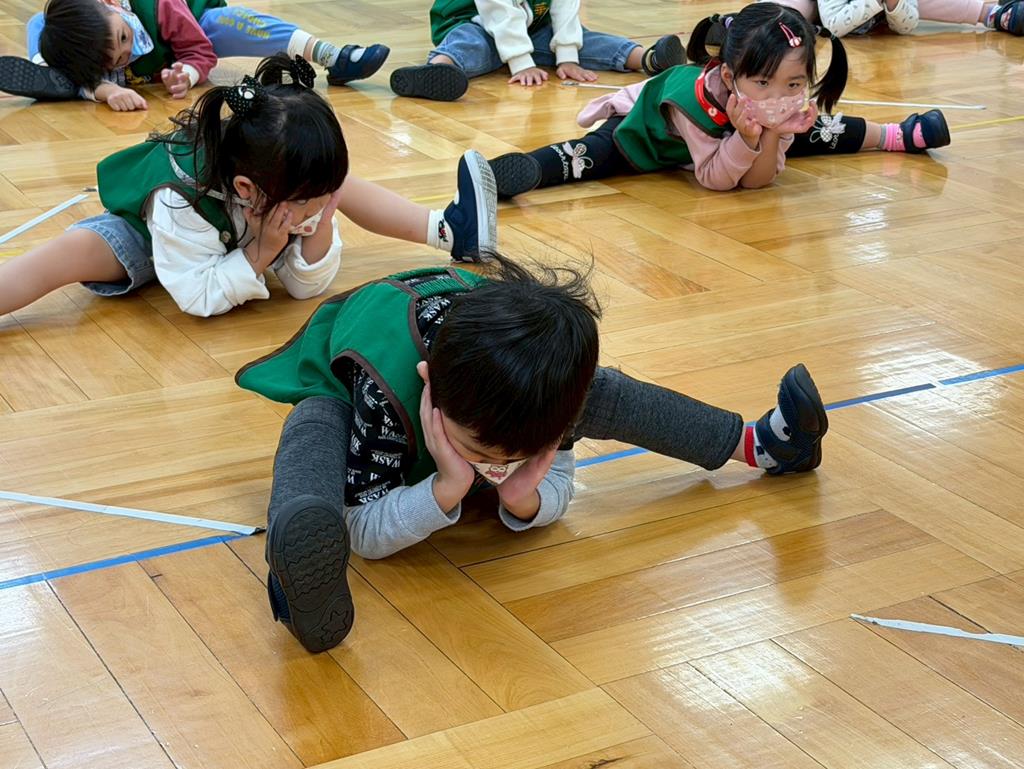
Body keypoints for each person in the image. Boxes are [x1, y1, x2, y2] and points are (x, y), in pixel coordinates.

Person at [234, 257, 830, 653]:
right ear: (430, 386)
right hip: (357, 375)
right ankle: (295, 572)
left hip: (488, 381)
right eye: (483, 455)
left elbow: (557, 480)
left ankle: (765, 444)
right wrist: (444, 488)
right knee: (314, 423)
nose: (494, 471)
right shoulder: (382, 389)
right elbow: (366, 530)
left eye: (515, 459)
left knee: (608, 391)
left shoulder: (554, 397)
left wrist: (525, 498)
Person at [0, 54, 497, 320]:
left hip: (234, 226)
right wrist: (261, 251)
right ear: (247, 187)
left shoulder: (285, 190)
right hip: (147, 232)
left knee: (332, 190)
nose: (317, 208)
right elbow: (195, 296)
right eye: (310, 201)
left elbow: (304, 288)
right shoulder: (178, 195)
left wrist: (321, 222)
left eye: (322, 197)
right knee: (65, 257)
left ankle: (450, 230)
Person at [487, 3, 950, 197]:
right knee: (589, 156)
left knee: (819, 130)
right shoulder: (693, 102)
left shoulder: (772, 102)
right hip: (648, 132)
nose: (780, 96)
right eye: (764, 83)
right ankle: (519, 172)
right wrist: (747, 140)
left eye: (794, 84)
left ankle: (896, 134)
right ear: (730, 76)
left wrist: (769, 134)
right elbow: (714, 179)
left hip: (730, 134)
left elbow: (758, 182)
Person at [0, 0, 390, 107]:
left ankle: (334, 56)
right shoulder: (92, 44)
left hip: (197, 29)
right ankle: (53, 73)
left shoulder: (161, 7)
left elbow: (201, 52)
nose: (128, 50)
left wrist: (186, 74)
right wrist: (106, 89)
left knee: (227, 22)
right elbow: (97, 71)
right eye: (118, 59)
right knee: (40, 21)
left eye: (123, 37)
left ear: (112, 5)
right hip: (84, 58)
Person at [389, 0, 687, 102]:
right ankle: (441, 69)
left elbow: (566, 7)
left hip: (533, 26)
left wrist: (567, 54)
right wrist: (521, 61)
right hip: (477, 21)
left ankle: (648, 58)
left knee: (585, 37)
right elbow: (499, 11)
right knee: (472, 44)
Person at [758, 0, 1023, 38]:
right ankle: (753, 24)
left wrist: (893, 3)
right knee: (789, 13)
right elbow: (834, 26)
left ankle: (992, 14)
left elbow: (906, 25)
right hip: (824, 9)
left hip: (867, 15)